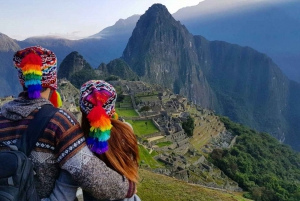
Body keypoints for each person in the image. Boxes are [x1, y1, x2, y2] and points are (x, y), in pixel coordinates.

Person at [0, 46, 135, 200]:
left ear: (22, 79)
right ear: (52, 81)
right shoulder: (58, 122)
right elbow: (94, 178)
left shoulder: (1, 115)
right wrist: (129, 188)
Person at [48, 80, 141, 201]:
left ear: (82, 109)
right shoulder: (127, 132)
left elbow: (63, 195)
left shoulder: (77, 149)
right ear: (112, 109)